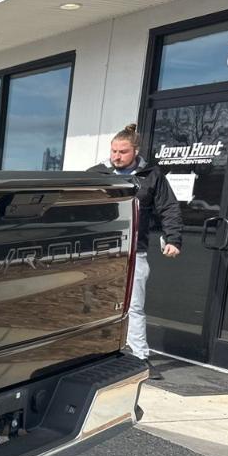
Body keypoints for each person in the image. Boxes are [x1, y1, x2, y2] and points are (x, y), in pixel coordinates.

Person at [89, 123, 182, 380]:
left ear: (135, 151)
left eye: (122, 151)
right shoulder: (96, 174)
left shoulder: (151, 176)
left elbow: (169, 208)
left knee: (134, 306)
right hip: (99, 252)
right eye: (114, 151)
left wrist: (173, 238)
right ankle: (91, 353)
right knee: (94, 302)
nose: (116, 156)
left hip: (134, 252)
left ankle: (140, 357)